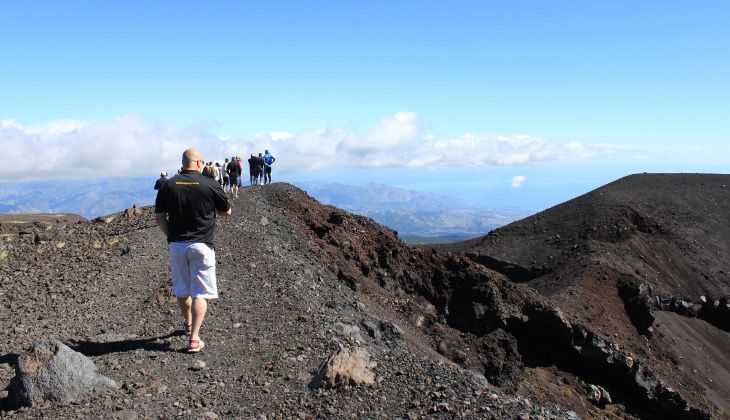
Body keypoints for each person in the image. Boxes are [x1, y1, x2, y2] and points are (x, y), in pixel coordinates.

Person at [155, 148, 232, 352]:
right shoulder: (210, 184)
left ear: (183, 162)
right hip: (202, 244)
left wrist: (170, 237)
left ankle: (188, 323)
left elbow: (159, 217)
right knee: (201, 293)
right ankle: (194, 338)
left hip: (177, 244)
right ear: (199, 163)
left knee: (182, 289)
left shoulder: (169, 184)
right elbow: (227, 211)